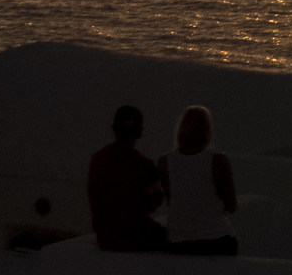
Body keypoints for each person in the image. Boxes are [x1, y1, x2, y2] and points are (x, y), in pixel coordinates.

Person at [159, 104, 239, 256]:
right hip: (216, 240)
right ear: (207, 131)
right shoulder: (218, 161)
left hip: (178, 241)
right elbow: (231, 206)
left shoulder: (165, 162)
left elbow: (172, 200)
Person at [86, 105, 167, 253]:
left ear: (114, 129)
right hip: (137, 237)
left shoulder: (97, 159)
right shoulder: (145, 165)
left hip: (106, 238)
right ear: (140, 132)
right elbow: (153, 203)